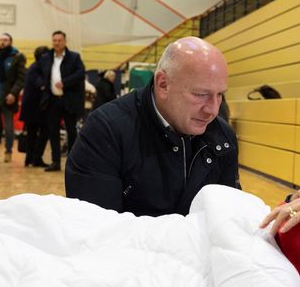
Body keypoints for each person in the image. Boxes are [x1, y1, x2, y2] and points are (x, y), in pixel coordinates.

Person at [65, 36, 239, 217]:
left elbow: (227, 218)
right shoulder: (105, 131)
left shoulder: (223, 136)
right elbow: (96, 227)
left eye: (220, 95)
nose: (213, 110)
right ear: (163, 84)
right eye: (201, 94)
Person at [34, 30, 85, 172]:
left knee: (71, 131)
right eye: (54, 40)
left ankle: (73, 162)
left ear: (65, 42)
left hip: (69, 100)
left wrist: (65, 82)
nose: (56, 43)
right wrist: (41, 83)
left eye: (59, 40)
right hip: (52, 101)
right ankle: (55, 161)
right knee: (53, 131)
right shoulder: (45, 57)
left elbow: (80, 73)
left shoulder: (74, 57)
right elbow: (35, 72)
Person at [0, 33, 25, 164]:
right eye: (1, 40)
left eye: (5, 40)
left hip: (8, 96)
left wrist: (13, 93)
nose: (3, 42)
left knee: (8, 127)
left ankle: (8, 151)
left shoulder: (17, 57)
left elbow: (21, 78)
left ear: (10, 42)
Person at [19, 45, 50, 168]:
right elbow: (41, 85)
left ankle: (31, 159)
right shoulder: (37, 69)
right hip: (36, 108)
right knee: (42, 133)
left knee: (32, 134)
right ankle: (35, 158)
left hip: (32, 107)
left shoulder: (34, 67)